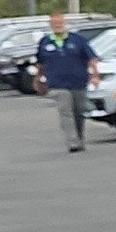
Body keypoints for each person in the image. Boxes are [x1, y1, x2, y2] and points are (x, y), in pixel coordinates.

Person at [37, 19, 97, 148]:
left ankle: (80, 137)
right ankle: (72, 141)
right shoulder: (45, 42)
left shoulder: (77, 40)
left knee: (79, 111)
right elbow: (40, 63)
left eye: (60, 23)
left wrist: (95, 75)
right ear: (51, 26)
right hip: (57, 84)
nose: (58, 26)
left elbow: (91, 58)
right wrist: (38, 79)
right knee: (65, 112)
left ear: (64, 24)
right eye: (54, 24)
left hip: (78, 82)